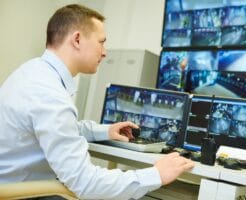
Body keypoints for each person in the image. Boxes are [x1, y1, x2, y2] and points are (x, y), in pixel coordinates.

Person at [0, 4, 195, 200]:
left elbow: (57, 129)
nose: (104, 52)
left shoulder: (31, 72)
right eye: (101, 42)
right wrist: (155, 174)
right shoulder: (50, 95)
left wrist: (105, 131)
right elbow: (85, 183)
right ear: (77, 39)